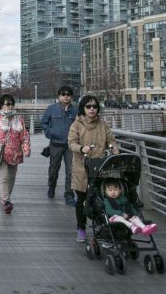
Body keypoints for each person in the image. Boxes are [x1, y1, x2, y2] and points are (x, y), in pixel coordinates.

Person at [68, 94, 119, 242]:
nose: (92, 109)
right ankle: (81, 228)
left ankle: (101, 225)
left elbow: (111, 140)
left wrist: (114, 149)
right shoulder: (76, 125)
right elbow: (71, 143)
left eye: (95, 106)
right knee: (82, 200)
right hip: (82, 167)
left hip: (100, 166)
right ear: (83, 108)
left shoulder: (103, 125)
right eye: (88, 106)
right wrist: (81, 148)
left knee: (101, 198)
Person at [0, 94, 31, 214]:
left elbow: (24, 136)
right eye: (7, 104)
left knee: (12, 178)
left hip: (15, 154)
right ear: (1, 105)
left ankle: (6, 198)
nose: (10, 106)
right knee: (4, 177)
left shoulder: (18, 119)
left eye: (11, 104)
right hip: (2, 154)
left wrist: (26, 149)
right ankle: (6, 201)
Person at [40, 85, 78, 205]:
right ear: (59, 96)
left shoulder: (76, 110)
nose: (66, 96)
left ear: (71, 97)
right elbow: (44, 122)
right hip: (55, 144)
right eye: (63, 94)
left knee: (71, 171)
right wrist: (49, 133)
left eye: (68, 94)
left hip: (70, 146)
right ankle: (51, 187)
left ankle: (69, 195)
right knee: (53, 170)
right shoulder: (51, 108)